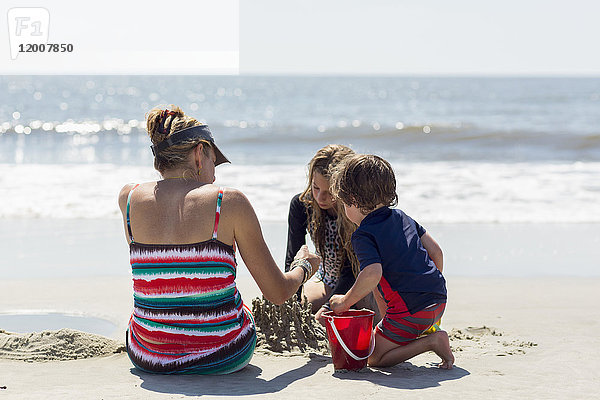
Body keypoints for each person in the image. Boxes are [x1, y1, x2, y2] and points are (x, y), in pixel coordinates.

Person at [118, 105, 320, 374]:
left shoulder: (129, 198)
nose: (215, 173)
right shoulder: (228, 202)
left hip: (147, 355)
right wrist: (304, 267)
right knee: (238, 310)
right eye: (215, 160)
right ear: (199, 154)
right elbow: (278, 293)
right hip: (223, 353)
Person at [329, 154, 454, 369]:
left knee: (373, 358)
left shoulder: (363, 234)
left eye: (343, 203)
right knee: (385, 294)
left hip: (412, 312)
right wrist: (427, 287)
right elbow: (436, 252)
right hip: (439, 300)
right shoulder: (402, 217)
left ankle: (431, 341)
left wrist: (345, 302)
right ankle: (410, 330)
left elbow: (372, 273)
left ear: (353, 201)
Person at [285, 145, 374, 323]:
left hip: (360, 282)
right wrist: (291, 302)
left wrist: (328, 309)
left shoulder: (356, 212)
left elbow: (351, 271)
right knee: (295, 310)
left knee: (330, 320)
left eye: (329, 192)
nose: (320, 198)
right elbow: (293, 257)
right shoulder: (302, 205)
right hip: (325, 279)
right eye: (316, 188)